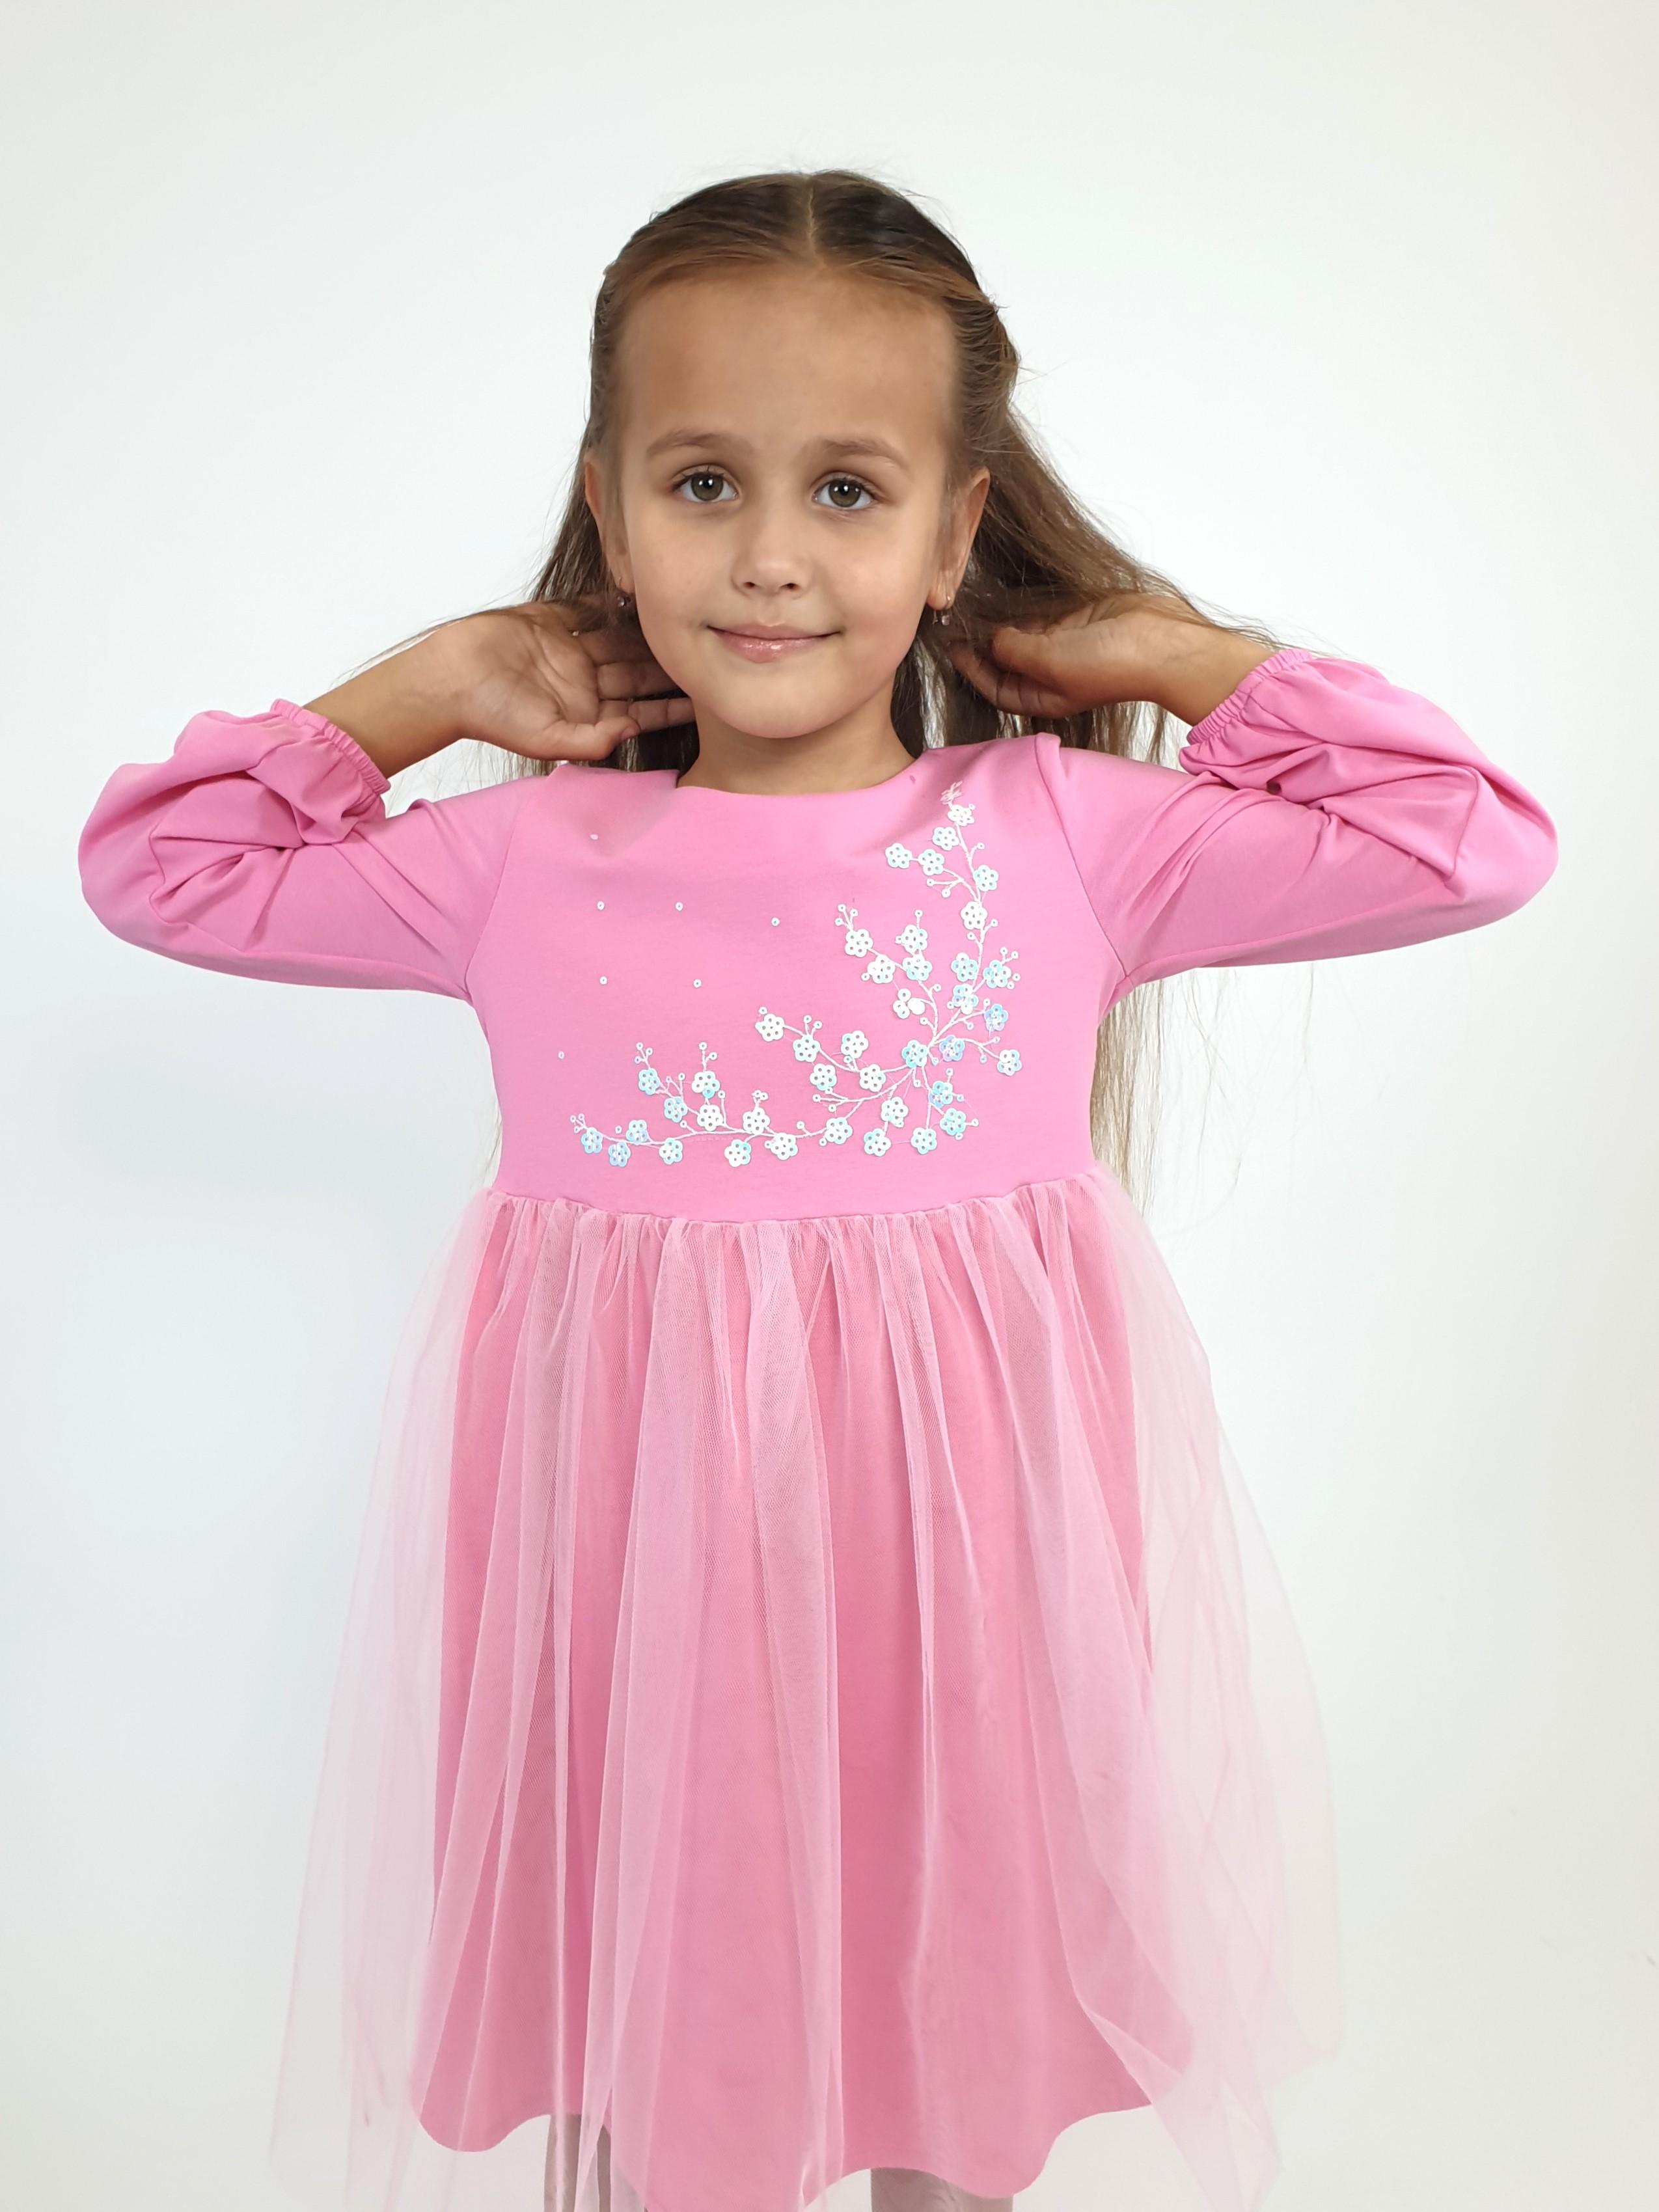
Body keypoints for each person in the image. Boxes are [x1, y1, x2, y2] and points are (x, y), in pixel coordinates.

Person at [75, 169, 1558, 2212]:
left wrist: (1177, 652)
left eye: (849, 492)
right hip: (646, 1611)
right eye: (704, 484)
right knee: (665, 2047)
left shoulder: (1060, 835)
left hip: (967, 1621)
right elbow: (163, 869)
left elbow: (1466, 837)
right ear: (610, 513)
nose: (771, 555)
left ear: (956, 532)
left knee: (956, 2049)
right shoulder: (529, 865)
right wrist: (427, 686)